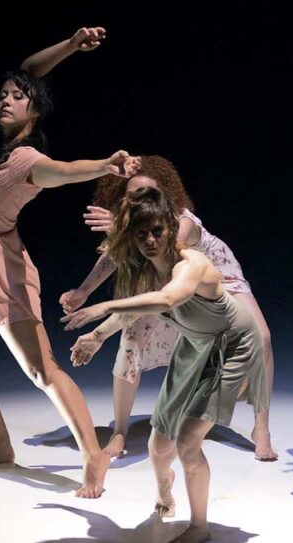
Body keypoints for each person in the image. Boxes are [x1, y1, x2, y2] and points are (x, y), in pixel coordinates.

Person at [0, 27, 139, 498]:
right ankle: (0, 444)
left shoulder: (29, 160)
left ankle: (93, 455)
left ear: (34, 110)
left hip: (3, 273)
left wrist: (105, 165)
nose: (6, 100)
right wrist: (71, 45)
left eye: (17, 97)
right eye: (3, 95)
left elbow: (67, 171)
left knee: (40, 370)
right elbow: (29, 70)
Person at [62, 187, 268, 542]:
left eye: (157, 231)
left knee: (187, 441)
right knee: (159, 444)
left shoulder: (192, 264)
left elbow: (169, 298)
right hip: (195, 344)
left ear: (171, 229)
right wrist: (97, 336)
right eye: (141, 233)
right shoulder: (147, 271)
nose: (150, 240)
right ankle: (164, 490)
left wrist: (103, 305)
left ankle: (199, 526)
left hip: (232, 345)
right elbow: (140, 307)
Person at [60, 155, 277, 461]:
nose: (140, 200)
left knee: (261, 337)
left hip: (213, 276)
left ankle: (261, 427)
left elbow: (166, 285)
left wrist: (98, 332)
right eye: (133, 195)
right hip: (167, 286)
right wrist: (83, 292)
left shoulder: (181, 223)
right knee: (132, 338)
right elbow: (115, 257)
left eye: (148, 193)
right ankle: (120, 429)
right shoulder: (134, 229)